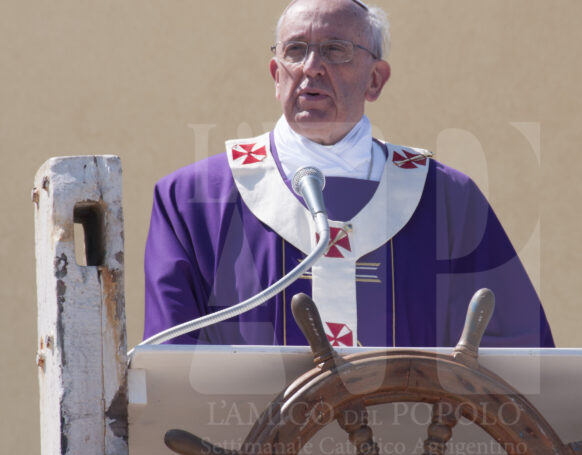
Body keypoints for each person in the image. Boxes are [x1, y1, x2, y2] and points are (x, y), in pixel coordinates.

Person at [143, 0, 554, 348]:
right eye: (295, 51)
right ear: (276, 76)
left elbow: (518, 354)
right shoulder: (194, 201)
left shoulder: (447, 199)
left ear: (375, 80)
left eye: (335, 50)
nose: (311, 67)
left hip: (412, 422)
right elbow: (169, 364)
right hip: (245, 422)